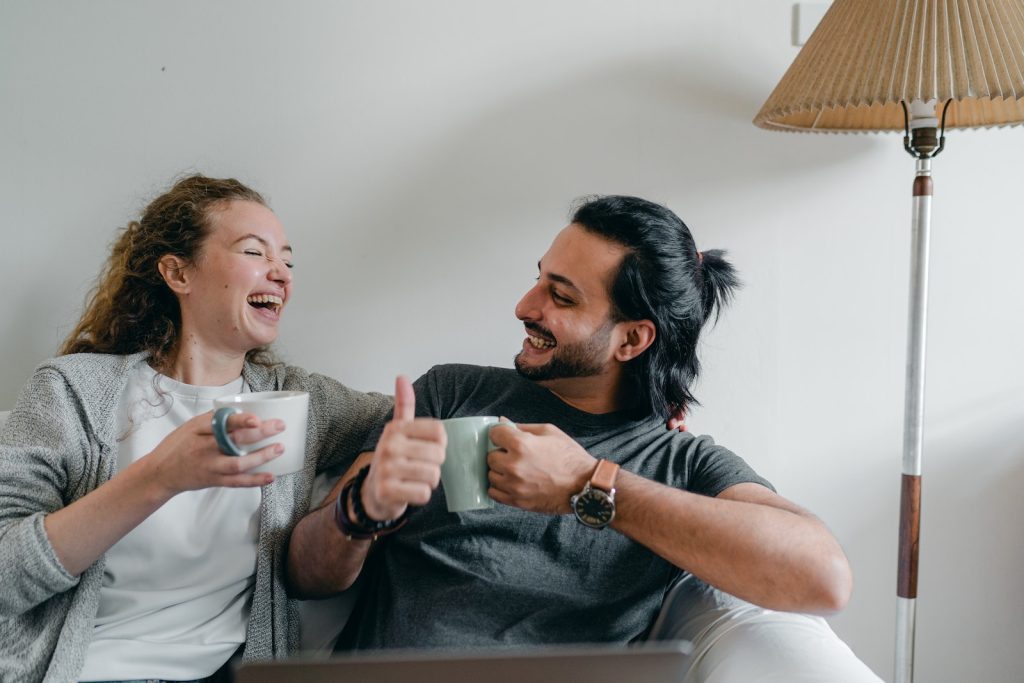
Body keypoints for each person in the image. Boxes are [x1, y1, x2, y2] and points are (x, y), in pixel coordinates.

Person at [286, 195, 881, 680]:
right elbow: (305, 574)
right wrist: (359, 510)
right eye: (539, 279)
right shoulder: (449, 394)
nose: (525, 305)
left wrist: (585, 486)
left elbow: (825, 579)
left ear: (631, 340)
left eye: (561, 296)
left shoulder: (680, 462)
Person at [0, 175, 392, 682]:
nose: (281, 274)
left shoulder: (300, 401)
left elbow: (419, 415)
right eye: (255, 252)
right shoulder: (72, 391)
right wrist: (160, 476)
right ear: (177, 272)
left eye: (288, 261)